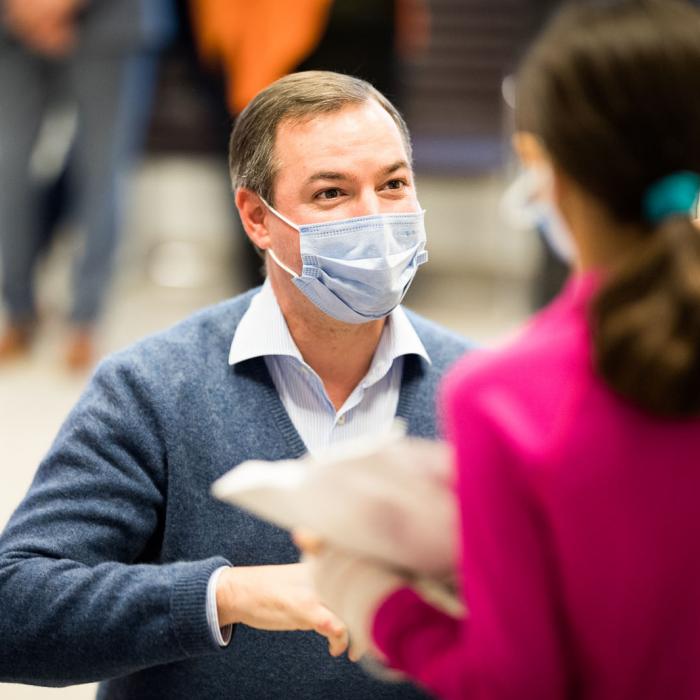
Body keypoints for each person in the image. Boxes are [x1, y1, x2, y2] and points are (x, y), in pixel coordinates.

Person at [0, 71, 470, 698]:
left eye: (393, 185)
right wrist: (225, 595)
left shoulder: (478, 394)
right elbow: (16, 609)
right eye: (331, 193)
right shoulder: (153, 389)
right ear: (257, 218)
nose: (375, 219)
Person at [300, 1, 700, 698]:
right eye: (333, 192)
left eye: (393, 183)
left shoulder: (507, 400)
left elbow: (515, 681)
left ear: (544, 168)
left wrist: (376, 599)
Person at [0, 0, 173, 369]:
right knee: (9, 170)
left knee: (101, 171)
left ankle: (84, 319)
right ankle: (18, 309)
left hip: (112, 20)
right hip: (13, 25)